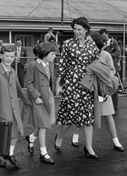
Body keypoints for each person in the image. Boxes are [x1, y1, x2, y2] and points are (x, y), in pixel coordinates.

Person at [71, 31, 124, 152]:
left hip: (102, 89)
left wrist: (105, 79)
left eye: (90, 40)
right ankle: (76, 137)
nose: (87, 43)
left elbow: (112, 70)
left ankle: (116, 141)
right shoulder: (83, 54)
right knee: (83, 116)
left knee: (108, 115)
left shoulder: (106, 54)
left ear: (97, 41)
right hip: (88, 88)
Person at [55, 17, 99, 159]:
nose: (76, 31)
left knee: (87, 116)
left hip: (87, 84)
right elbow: (62, 65)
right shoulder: (67, 44)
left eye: (79, 29)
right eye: (74, 29)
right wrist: (58, 84)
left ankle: (89, 147)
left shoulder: (92, 46)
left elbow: (97, 64)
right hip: (71, 84)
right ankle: (59, 138)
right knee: (69, 114)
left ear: (86, 30)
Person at [0, 45, 31, 168]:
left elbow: (18, 87)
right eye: (6, 56)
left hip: (14, 108)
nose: (9, 59)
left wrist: (27, 100)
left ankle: (10, 154)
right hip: (2, 108)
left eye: (12, 56)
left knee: (14, 132)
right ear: (1, 56)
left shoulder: (12, 71)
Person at [23, 42, 56, 164]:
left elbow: (50, 80)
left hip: (48, 97)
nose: (55, 56)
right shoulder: (33, 65)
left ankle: (31, 138)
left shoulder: (50, 64)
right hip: (39, 98)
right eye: (52, 54)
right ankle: (44, 153)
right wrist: (36, 96)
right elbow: (28, 83)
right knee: (43, 125)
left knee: (45, 124)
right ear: (45, 53)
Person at [99, 29, 120, 111]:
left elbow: (118, 53)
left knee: (113, 85)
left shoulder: (113, 42)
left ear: (107, 34)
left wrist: (108, 55)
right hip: (103, 66)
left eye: (104, 36)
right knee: (102, 86)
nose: (103, 38)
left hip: (111, 66)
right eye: (102, 37)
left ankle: (115, 105)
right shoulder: (101, 42)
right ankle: (102, 104)